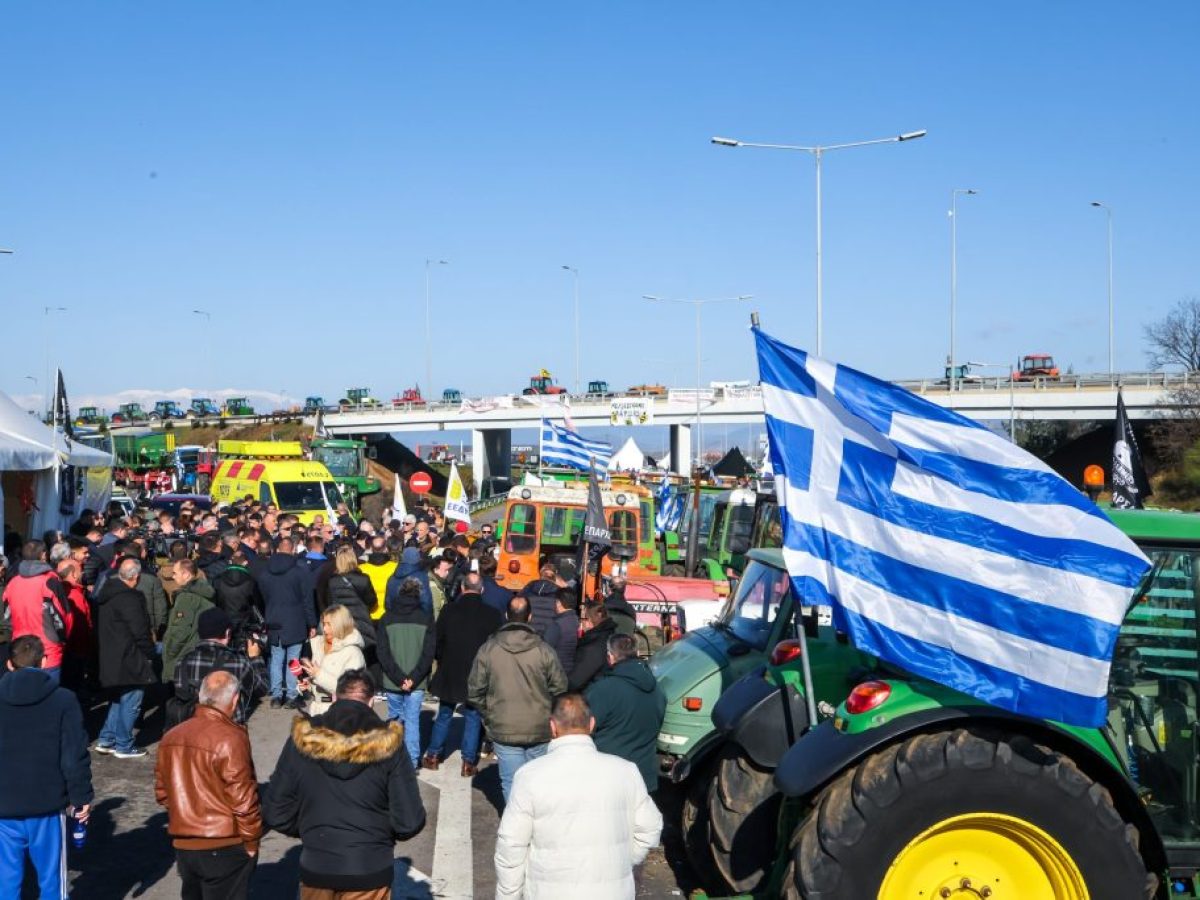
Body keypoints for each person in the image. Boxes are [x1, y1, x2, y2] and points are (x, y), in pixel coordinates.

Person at [263, 670, 425, 898]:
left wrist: (311, 830)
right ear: (371, 702)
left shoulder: (304, 738)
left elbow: (276, 811)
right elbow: (409, 821)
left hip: (317, 865)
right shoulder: (389, 745)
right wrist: (379, 836)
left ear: (335, 698)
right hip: (369, 868)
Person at [493, 693, 662, 899]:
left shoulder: (530, 775)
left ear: (552, 726)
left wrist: (508, 896)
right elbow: (650, 827)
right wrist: (623, 860)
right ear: (591, 725)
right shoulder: (626, 771)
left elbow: (511, 846)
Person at [0, 636, 93, 900]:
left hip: (3, 807)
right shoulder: (63, 700)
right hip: (47, 805)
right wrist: (81, 797)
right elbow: (73, 755)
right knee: (52, 881)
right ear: (44, 661)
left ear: (9, 664)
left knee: (5, 883)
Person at [155, 671, 261, 899]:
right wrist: (252, 841)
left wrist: (186, 815)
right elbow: (243, 798)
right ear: (234, 699)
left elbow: (163, 793)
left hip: (185, 845)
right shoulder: (231, 738)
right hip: (225, 843)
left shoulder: (171, 737)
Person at [467, 596, 567, 801]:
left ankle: (515, 829)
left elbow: (474, 691)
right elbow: (560, 688)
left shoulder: (489, 649)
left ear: (506, 615)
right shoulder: (544, 650)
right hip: (539, 727)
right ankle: (535, 829)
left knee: (512, 784)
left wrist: (490, 716)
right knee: (537, 785)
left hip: (504, 726)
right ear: (530, 616)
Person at [423, 574, 503, 776]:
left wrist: (441, 658)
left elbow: (437, 640)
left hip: (451, 667)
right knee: (473, 716)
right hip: (478, 670)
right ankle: (468, 762)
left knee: (444, 713)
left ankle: (433, 755)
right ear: (482, 590)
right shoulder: (492, 614)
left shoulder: (449, 610)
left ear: (461, 588)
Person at [585, 633, 667, 793]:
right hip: (644, 778)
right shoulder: (658, 689)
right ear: (636, 653)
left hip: (609, 778)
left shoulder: (603, 690)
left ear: (610, 657)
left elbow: (582, 731)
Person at [94, 558, 157, 758]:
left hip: (112, 653)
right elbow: (140, 631)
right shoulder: (129, 598)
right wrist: (150, 652)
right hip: (130, 654)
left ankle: (107, 738)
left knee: (118, 698)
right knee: (131, 698)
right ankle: (124, 744)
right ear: (136, 577)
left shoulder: (107, 593)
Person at [172, 608, 268, 727]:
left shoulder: (182, 662)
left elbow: (181, 694)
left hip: (191, 732)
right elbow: (262, 688)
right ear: (228, 633)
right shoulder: (238, 662)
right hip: (227, 734)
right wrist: (255, 657)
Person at [376, 577, 435, 769]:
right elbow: (428, 654)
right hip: (416, 682)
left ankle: (393, 757)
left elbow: (383, 653)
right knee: (412, 721)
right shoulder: (425, 619)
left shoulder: (387, 618)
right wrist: (413, 678)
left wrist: (399, 678)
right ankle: (411, 761)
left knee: (395, 719)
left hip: (393, 681)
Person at [255, 537, 317, 710]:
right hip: (295, 620)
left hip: (273, 618)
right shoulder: (299, 572)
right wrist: (312, 623)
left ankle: (276, 695)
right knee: (293, 659)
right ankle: (291, 695)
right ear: (293, 549)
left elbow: (262, 597)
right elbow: (307, 600)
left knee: (276, 658)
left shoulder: (265, 573)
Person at [1, 541, 71, 685]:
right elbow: (65, 617)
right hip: (46, 652)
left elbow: (7, 618)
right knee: (47, 698)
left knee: (21, 697)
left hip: (20, 650)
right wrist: (62, 640)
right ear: (44, 555)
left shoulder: (13, 583)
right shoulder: (50, 582)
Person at [299, 605, 366, 717]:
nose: (324, 629)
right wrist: (309, 686)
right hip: (316, 710)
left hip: (340, 713)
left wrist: (318, 675)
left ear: (341, 625)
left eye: (329, 625)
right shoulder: (320, 646)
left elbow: (350, 690)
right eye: (324, 624)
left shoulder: (353, 653)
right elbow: (320, 681)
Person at [161, 558, 216, 683]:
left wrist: (169, 651)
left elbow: (181, 630)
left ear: (186, 574)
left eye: (175, 573)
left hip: (184, 653)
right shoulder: (204, 591)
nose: (173, 577)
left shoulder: (186, 597)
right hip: (199, 650)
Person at [569, 600, 619, 692]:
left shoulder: (593, 645)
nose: (580, 622)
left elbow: (575, 681)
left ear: (589, 621)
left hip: (592, 697)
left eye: (582, 619)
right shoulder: (608, 635)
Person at [211, 552, 262, 633]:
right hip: (245, 622)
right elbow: (258, 602)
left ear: (230, 562)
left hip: (223, 620)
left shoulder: (218, 579)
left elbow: (213, 601)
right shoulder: (251, 580)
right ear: (245, 563)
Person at [541, 588, 580, 675]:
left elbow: (544, 650)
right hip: (572, 670)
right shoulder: (577, 621)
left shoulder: (557, 625)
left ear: (559, 603)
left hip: (556, 671)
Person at [385, 547, 432, 615]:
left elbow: (388, 602)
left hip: (396, 618)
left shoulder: (392, 578)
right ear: (418, 560)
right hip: (416, 619)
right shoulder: (422, 577)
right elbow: (426, 602)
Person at [359, 538, 397, 621]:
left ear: (371, 549)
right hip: (389, 615)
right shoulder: (396, 567)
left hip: (368, 616)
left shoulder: (361, 569)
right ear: (386, 549)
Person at [519, 562, 560, 637]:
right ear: (554, 577)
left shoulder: (529, 586)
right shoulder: (559, 592)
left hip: (527, 633)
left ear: (541, 575)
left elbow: (518, 604)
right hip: (547, 635)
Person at [427, 553, 454, 618]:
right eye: (445, 570)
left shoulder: (437, 582)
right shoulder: (433, 587)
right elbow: (436, 610)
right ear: (435, 569)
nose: (447, 572)